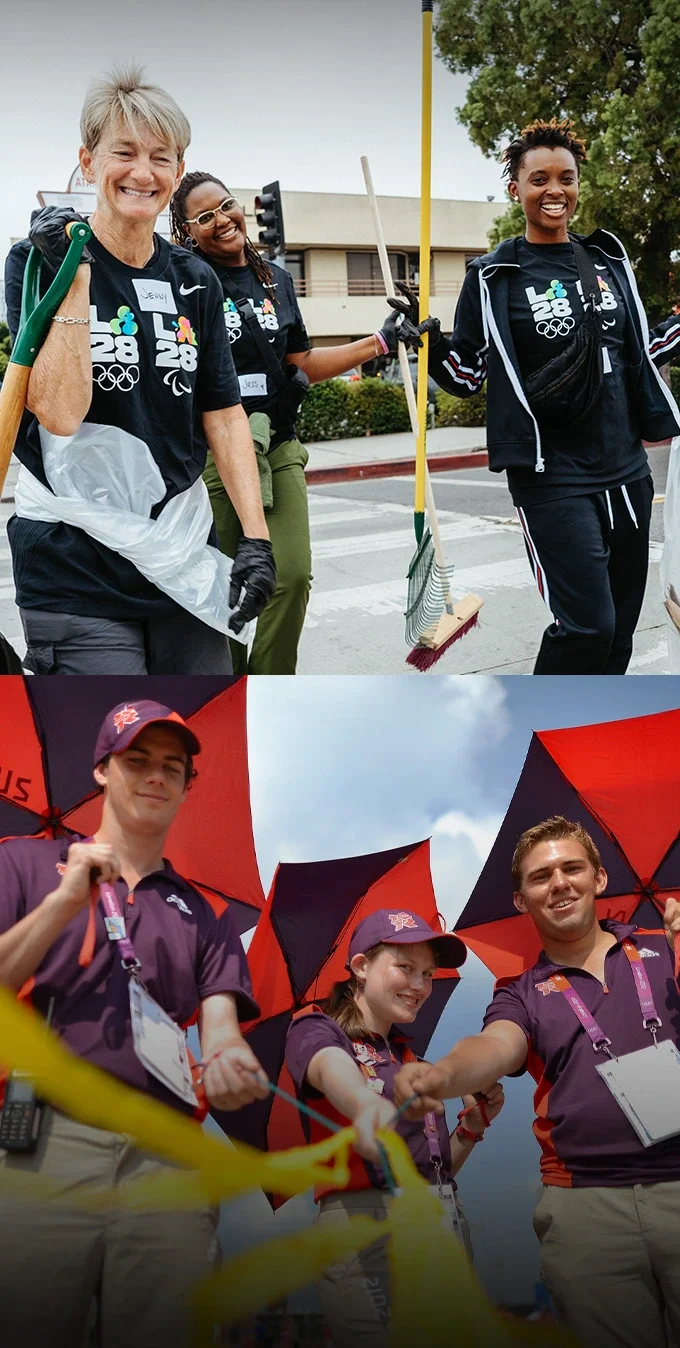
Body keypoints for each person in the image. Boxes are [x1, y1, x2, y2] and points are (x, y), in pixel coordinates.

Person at [0, 697, 269, 1348]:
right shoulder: (23, 863)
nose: (155, 776)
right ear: (102, 770)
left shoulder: (205, 914)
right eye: (137, 760)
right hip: (46, 1141)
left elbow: (222, 1024)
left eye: (172, 767)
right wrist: (65, 903)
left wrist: (231, 1058)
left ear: (186, 786)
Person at [3, 68, 276, 675]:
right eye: (123, 153)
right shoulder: (35, 260)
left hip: (178, 554)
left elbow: (224, 415)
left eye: (161, 157)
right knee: (107, 754)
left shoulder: (193, 279)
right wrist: (74, 275)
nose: (142, 172)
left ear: (178, 172)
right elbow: (59, 415)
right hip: (75, 565)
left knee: (196, 746)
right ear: (88, 161)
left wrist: (255, 539)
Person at [395, 118, 680, 674]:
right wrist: (426, 342)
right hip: (552, 474)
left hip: (626, 469)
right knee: (586, 625)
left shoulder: (606, 261)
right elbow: (470, 374)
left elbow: (639, 348)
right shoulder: (494, 275)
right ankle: (537, 724)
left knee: (618, 630)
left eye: (566, 178)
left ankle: (594, 732)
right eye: (539, 178)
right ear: (515, 189)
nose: (555, 190)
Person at [393, 816, 680, 1348]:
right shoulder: (520, 991)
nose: (559, 883)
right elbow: (495, 1046)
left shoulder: (666, 946)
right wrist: (443, 1075)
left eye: (572, 868)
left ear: (598, 878)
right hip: (586, 1207)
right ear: (523, 900)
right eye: (541, 876)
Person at [168, 173, 411, 675]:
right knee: (226, 583)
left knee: (292, 575)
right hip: (216, 452)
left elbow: (299, 361)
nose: (222, 221)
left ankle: (270, 687)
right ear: (189, 232)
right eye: (205, 217)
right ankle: (228, 692)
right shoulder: (187, 279)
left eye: (226, 206)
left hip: (277, 444)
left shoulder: (275, 279)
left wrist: (380, 342)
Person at [284, 908, 504, 1347]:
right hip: (364, 1227)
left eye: (427, 973)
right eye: (405, 968)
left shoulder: (411, 1060)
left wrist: (471, 1129)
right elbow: (327, 1067)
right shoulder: (317, 1029)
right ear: (361, 967)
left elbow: (430, 1171)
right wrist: (364, 1103)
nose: (421, 985)